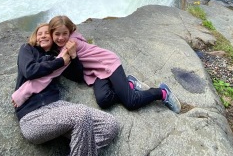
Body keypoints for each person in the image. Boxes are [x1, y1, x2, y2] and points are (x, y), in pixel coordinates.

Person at [12, 15, 181, 114]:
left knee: (130, 102)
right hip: (97, 72)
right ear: (52, 34)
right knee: (103, 100)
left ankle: (161, 92)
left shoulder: (68, 46)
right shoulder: (55, 49)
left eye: (65, 34)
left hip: (108, 63)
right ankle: (128, 83)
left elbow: (52, 73)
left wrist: (21, 94)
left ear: (70, 32)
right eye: (57, 34)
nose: (61, 38)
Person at [13, 23, 119, 156]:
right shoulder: (27, 49)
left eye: (47, 33)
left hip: (56, 109)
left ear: (53, 37)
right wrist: (60, 62)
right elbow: (30, 71)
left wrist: (73, 56)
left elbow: (77, 76)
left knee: (109, 125)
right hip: (31, 117)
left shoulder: (58, 56)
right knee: (81, 114)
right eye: (39, 34)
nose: (43, 36)